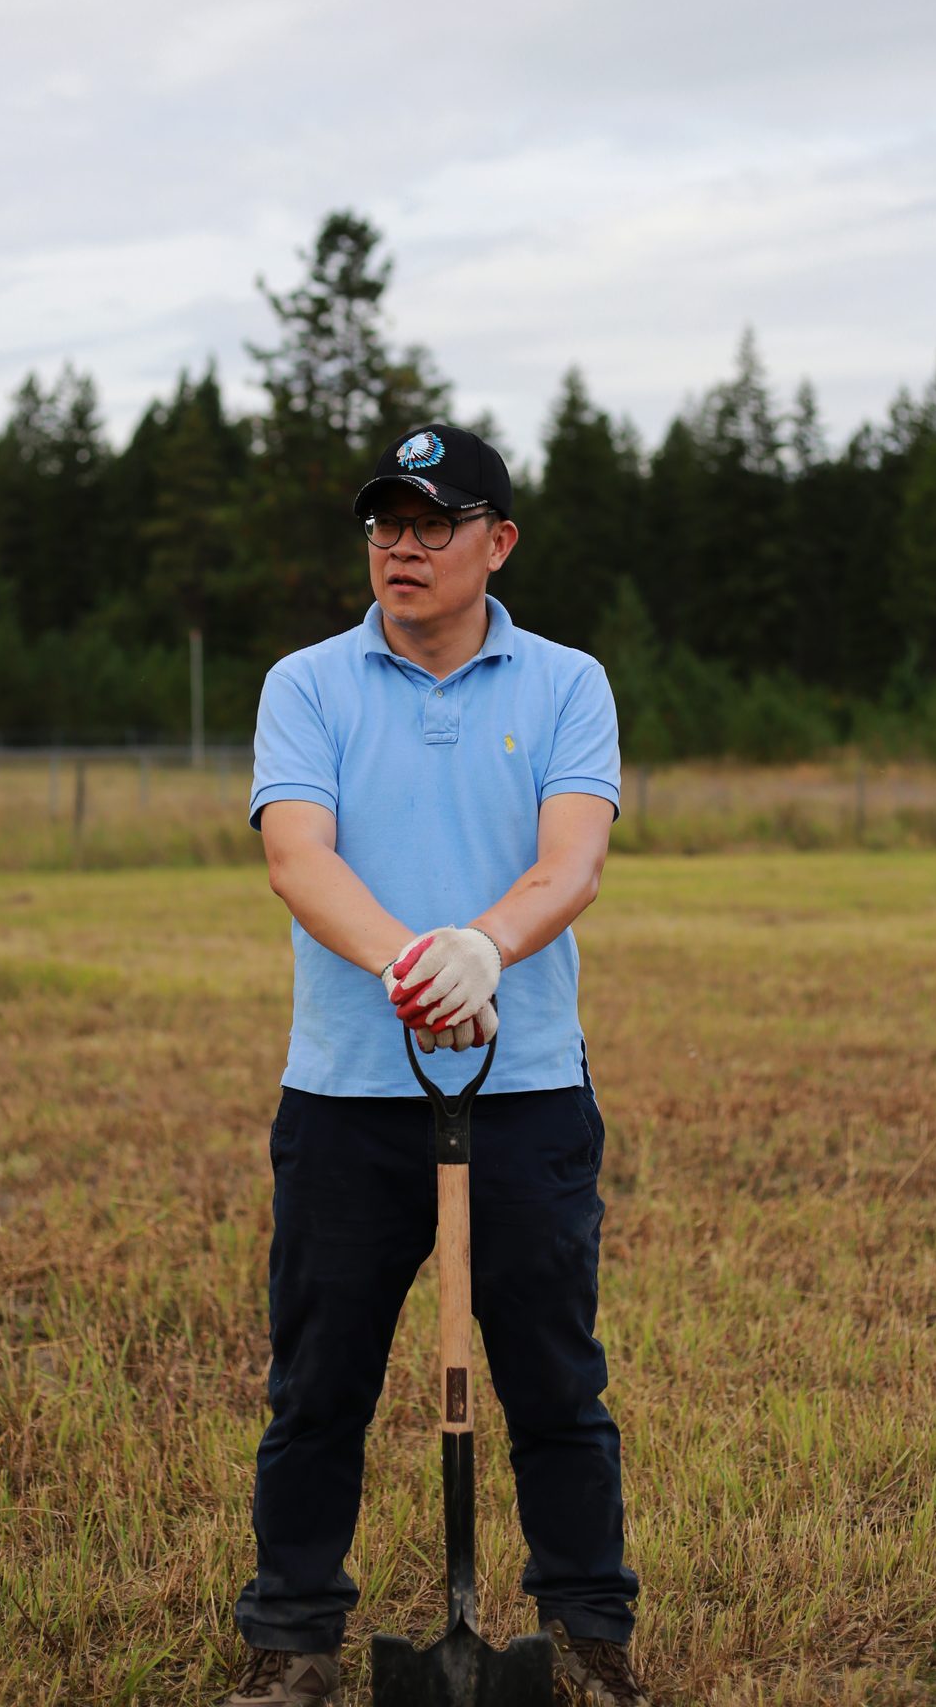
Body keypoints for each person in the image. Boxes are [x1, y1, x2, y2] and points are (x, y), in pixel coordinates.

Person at [223, 424, 644, 1705]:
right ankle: (292, 1640)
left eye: (433, 525)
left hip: (521, 1101)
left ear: (496, 543)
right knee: (318, 1383)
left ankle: (586, 1634)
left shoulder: (566, 683)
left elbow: (570, 860)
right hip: (347, 1098)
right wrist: (420, 967)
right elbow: (299, 857)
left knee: (556, 1381)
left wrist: (486, 945)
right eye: (383, 527)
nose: (400, 550)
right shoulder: (306, 684)